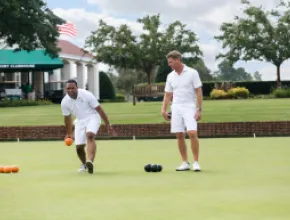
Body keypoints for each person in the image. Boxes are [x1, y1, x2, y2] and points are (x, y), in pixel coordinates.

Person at [161, 50, 203, 172]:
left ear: (178, 59)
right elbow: (168, 94)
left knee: (192, 133)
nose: (170, 64)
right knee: (179, 134)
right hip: (176, 107)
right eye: (169, 62)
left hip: (189, 106)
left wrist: (199, 109)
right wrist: (163, 109)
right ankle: (185, 162)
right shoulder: (170, 76)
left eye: (171, 62)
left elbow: (199, 91)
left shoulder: (192, 73)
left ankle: (196, 162)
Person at [61, 79, 114, 174]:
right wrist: (69, 133)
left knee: (89, 135)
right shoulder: (64, 102)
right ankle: (84, 164)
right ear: (66, 89)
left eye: (72, 88)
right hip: (79, 120)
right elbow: (67, 118)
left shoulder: (87, 94)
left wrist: (107, 124)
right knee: (79, 147)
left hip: (92, 117)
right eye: (68, 88)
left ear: (77, 88)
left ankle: (90, 161)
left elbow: (99, 109)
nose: (70, 90)